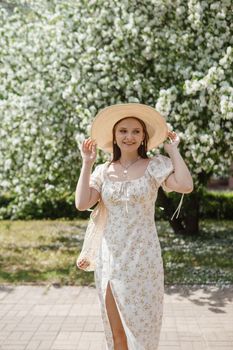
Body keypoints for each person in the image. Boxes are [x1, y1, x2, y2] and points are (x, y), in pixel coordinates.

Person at [75, 103, 193, 350]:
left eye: (136, 131)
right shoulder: (102, 171)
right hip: (110, 260)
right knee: (117, 334)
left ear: (143, 137)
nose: (129, 136)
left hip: (144, 259)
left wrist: (173, 151)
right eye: (123, 131)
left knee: (142, 332)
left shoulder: (154, 165)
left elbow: (184, 185)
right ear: (115, 137)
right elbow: (82, 202)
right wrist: (87, 163)